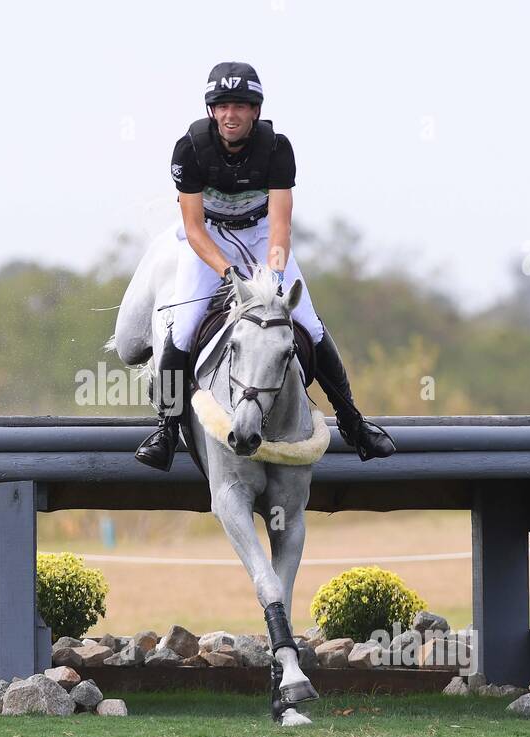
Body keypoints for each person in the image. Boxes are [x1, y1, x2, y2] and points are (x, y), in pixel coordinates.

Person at [135, 61, 396, 471]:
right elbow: (193, 228)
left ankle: (353, 422)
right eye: (221, 106)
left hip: (261, 238)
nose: (230, 115)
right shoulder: (190, 149)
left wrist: (272, 277)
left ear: (255, 110)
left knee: (309, 324)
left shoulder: (277, 149)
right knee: (182, 329)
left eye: (240, 105)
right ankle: (166, 429)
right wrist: (227, 273)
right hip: (210, 240)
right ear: (211, 111)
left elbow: (279, 227)